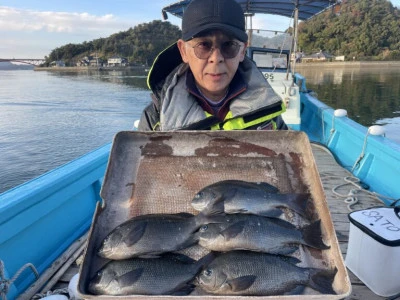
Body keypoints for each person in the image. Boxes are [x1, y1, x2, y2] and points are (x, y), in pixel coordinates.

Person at [138, 0, 288, 131]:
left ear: (242, 50)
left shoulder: (268, 110)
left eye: (229, 45)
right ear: (183, 51)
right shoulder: (155, 119)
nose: (216, 58)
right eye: (203, 45)